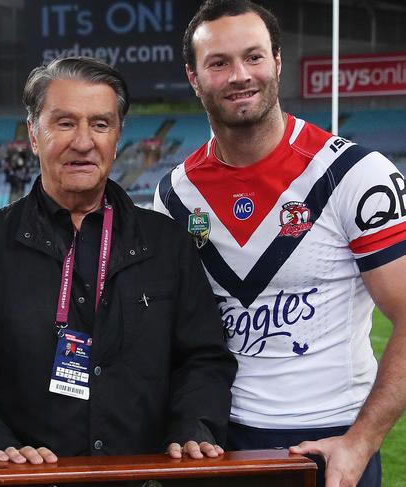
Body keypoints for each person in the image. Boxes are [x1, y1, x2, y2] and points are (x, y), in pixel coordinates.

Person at [0, 56, 237, 464]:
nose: (84, 141)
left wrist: (194, 426)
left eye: (100, 124)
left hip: (141, 479)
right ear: (34, 135)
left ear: (118, 137)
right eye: (65, 123)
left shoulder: (167, 244)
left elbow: (203, 357)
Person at [154, 1, 406, 486]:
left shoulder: (355, 174)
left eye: (253, 56)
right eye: (219, 63)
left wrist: (361, 441)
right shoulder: (173, 196)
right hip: (218, 442)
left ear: (277, 63)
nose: (239, 75)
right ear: (193, 77)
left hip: (330, 440)